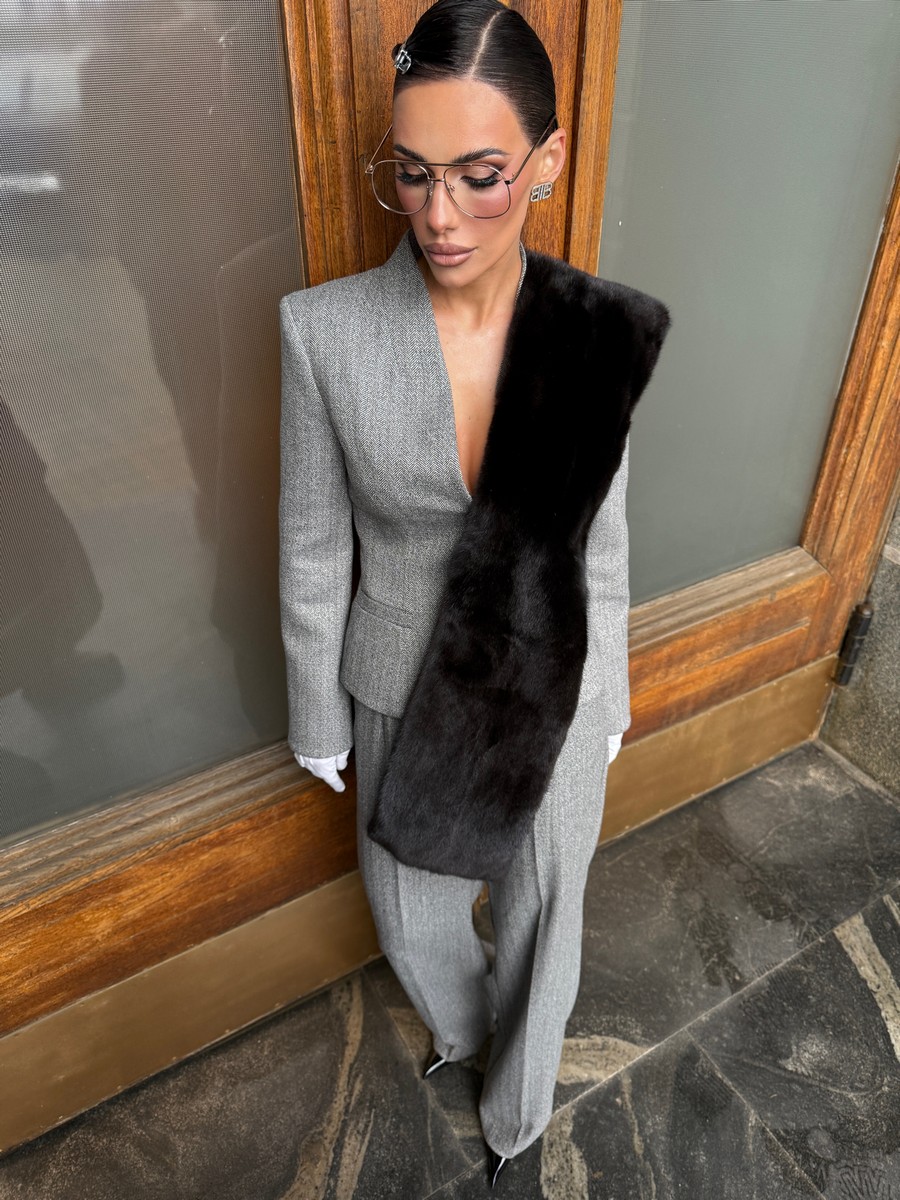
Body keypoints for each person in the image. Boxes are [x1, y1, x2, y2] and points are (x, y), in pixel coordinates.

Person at [278, 0, 670, 1186]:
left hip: (555, 681)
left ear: (545, 162)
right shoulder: (324, 335)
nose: (439, 213)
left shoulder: (594, 332)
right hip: (401, 678)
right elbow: (312, 544)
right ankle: (462, 1030)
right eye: (412, 172)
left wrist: (611, 694)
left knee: (548, 918)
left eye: (479, 175)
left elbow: (602, 539)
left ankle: (517, 1113)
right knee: (409, 916)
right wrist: (316, 714)